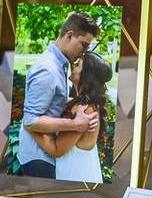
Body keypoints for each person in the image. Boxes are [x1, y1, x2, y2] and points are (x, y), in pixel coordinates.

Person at [19, 12, 100, 178]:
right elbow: (30, 121)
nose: (84, 52)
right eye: (84, 45)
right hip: (39, 157)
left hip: (47, 152)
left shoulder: (60, 64)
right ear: (69, 36)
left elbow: (50, 103)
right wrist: (75, 125)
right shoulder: (48, 69)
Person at [30, 50, 111, 183]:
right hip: (76, 177)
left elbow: (56, 150)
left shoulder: (85, 110)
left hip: (77, 180)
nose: (73, 65)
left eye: (78, 64)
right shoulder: (81, 104)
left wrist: (30, 125)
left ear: (86, 75)